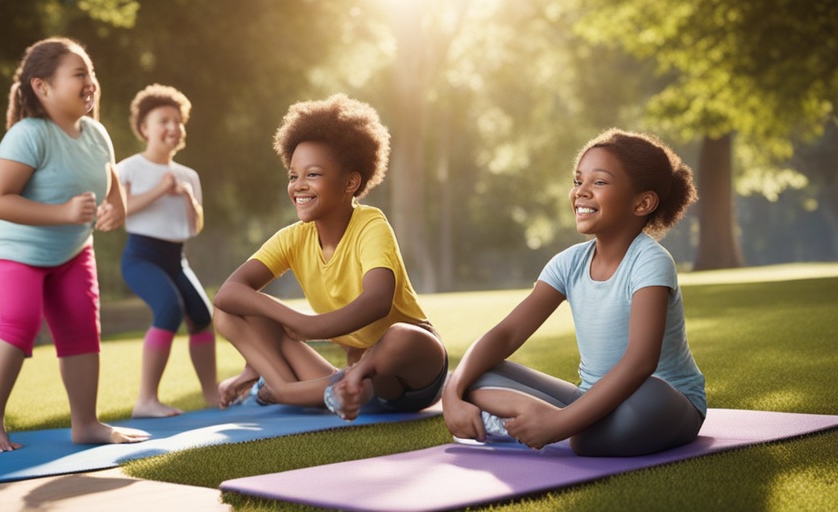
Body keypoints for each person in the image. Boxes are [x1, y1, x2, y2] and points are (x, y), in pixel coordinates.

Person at [443, 129, 705, 457]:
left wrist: (558, 426)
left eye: (599, 182)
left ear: (642, 203)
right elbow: (507, 334)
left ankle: (553, 424)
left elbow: (640, 362)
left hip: (664, 400)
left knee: (638, 403)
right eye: (578, 180)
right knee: (474, 373)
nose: (581, 192)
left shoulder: (650, 261)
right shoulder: (568, 263)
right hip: (589, 399)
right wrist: (452, 393)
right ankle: (562, 422)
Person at [214, 94, 447, 421]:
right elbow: (228, 294)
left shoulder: (370, 224)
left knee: (400, 336)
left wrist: (307, 325)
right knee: (226, 314)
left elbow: (378, 300)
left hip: (416, 372)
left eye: (313, 174)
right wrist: (283, 328)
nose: (299, 186)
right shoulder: (293, 238)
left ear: (350, 182)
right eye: (293, 176)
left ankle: (283, 393)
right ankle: (300, 388)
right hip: (357, 382)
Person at [0, 37, 149, 453]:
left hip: (72, 251)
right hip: (17, 250)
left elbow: (111, 186)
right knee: (20, 321)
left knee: (82, 327)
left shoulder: (96, 135)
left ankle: (86, 423)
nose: (90, 82)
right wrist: (63, 213)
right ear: (42, 87)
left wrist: (116, 211)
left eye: (91, 73)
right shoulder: (29, 135)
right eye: (78, 74)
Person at [117, 84, 218, 417]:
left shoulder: (189, 176)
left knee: (203, 317)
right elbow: (119, 211)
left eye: (178, 121)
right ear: (145, 128)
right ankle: (146, 401)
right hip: (141, 256)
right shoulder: (127, 169)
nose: (173, 127)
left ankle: (211, 394)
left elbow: (195, 226)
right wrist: (160, 190)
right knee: (169, 309)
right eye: (164, 120)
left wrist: (188, 198)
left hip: (177, 258)